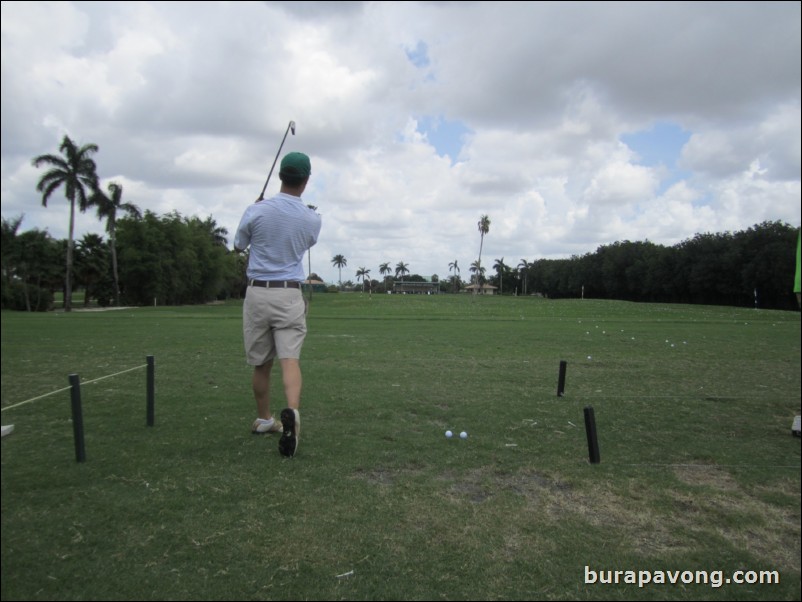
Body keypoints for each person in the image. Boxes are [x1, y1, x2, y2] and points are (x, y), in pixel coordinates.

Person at [234, 152, 322, 457]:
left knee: (262, 363)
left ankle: (264, 419)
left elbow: (238, 244)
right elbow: (306, 241)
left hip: (257, 293)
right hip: (288, 294)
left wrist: (255, 209)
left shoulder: (256, 210)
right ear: (306, 180)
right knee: (289, 360)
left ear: (281, 176)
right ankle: (292, 414)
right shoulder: (312, 219)